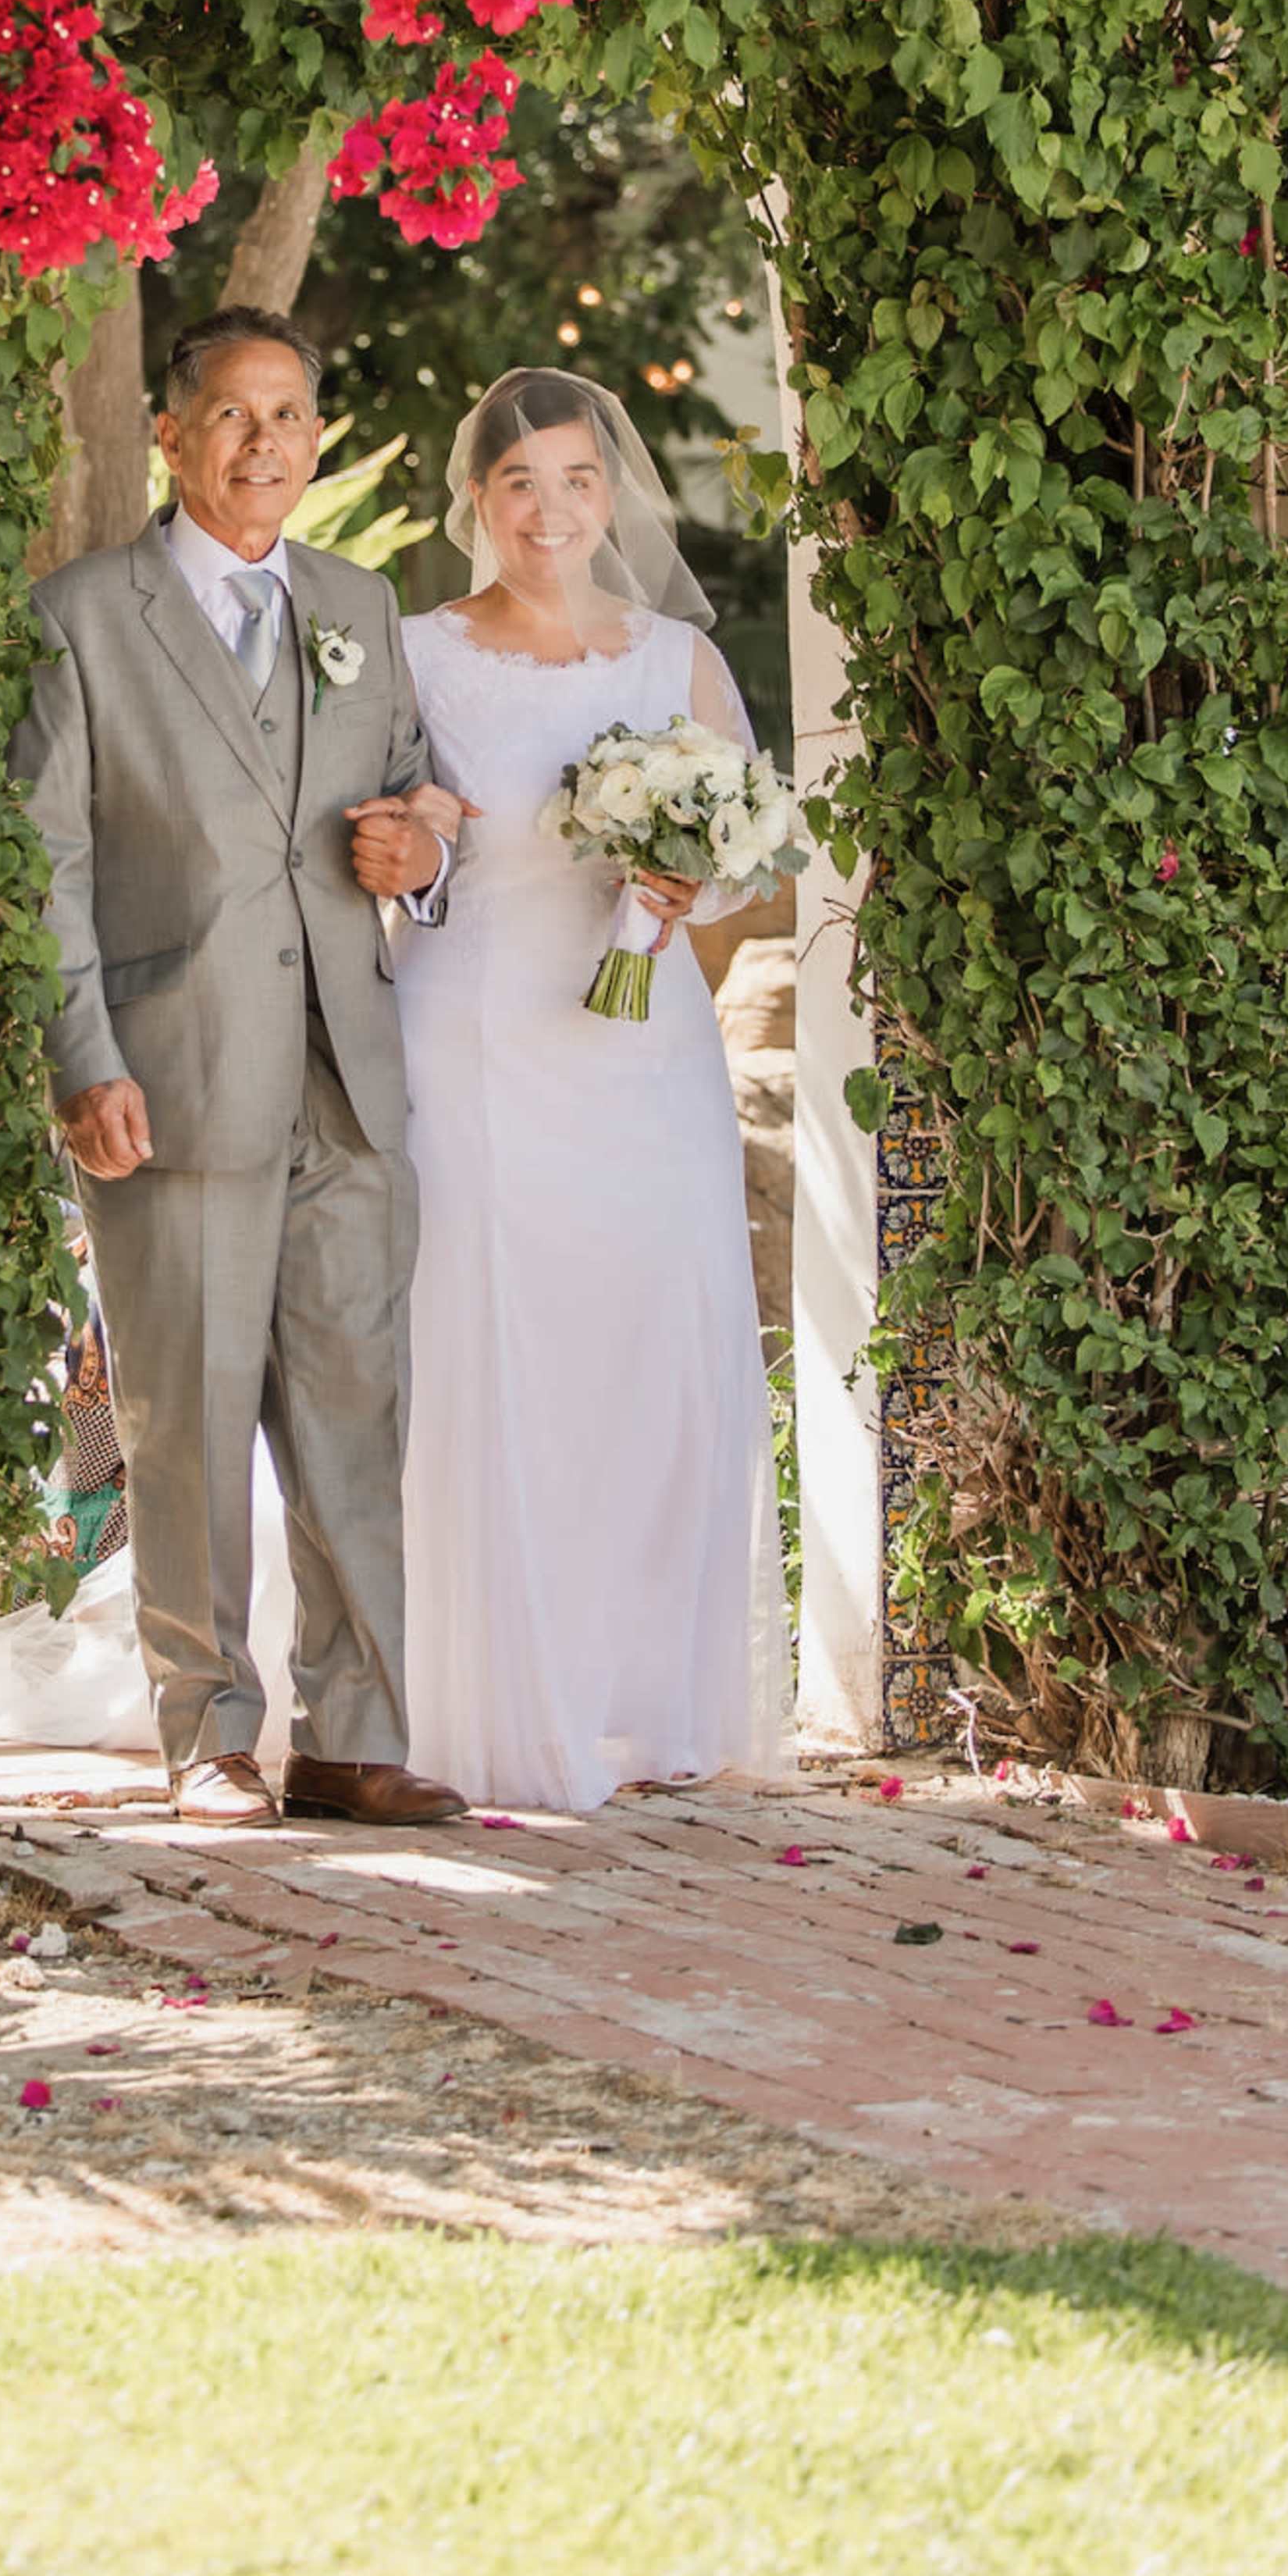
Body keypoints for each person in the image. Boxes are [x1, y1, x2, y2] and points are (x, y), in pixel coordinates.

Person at [12, 308, 468, 1831]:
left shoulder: (359, 600)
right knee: (187, 1419)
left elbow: (412, 792)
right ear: (175, 436)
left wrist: (423, 850)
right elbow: (47, 861)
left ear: (317, 435)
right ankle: (205, 1731)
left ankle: (353, 1734)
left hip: (348, 1079)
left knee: (355, 1410)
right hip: (174, 1077)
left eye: (290, 415)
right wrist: (84, 1054)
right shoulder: (84, 615)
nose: (264, 443)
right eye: (233, 416)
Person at [393, 367, 786, 1813]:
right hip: (477, 1042)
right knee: (486, 1349)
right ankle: (480, 1693)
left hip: (641, 1051)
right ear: (478, 504)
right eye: (517, 486)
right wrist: (422, 845)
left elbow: (748, 851)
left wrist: (693, 876)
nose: (548, 512)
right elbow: (395, 843)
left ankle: (644, 1692)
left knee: (649, 1350)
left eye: (572, 481)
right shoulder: (422, 651)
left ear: (605, 492)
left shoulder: (675, 658)